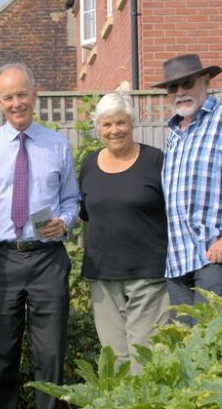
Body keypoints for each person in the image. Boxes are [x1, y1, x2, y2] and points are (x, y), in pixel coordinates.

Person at [0, 62, 79, 409]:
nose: (16, 103)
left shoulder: (57, 145)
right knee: (2, 356)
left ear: (35, 94)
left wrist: (64, 221)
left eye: (22, 94)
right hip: (0, 259)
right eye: (8, 97)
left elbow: (72, 199)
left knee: (51, 355)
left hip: (48, 258)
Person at [155, 54, 222, 323]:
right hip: (178, 260)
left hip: (215, 254)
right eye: (173, 87)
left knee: (209, 342)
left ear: (206, 81)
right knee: (184, 347)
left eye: (187, 83)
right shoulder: (175, 134)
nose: (180, 92)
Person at [78, 92, 169, 374]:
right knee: (114, 360)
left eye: (120, 123)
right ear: (98, 129)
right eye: (106, 125)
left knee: (145, 357)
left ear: (132, 124)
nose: (114, 130)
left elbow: (174, 211)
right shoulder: (89, 165)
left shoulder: (155, 160)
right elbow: (85, 215)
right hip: (103, 276)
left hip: (148, 274)